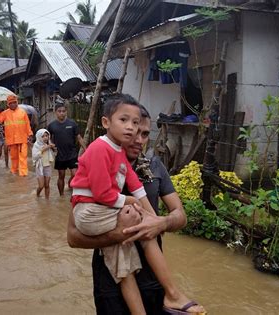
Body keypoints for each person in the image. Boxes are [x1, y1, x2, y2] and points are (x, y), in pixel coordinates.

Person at [69, 94, 204, 315]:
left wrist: (159, 223)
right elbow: (73, 237)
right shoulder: (100, 158)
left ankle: (172, 294)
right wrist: (123, 233)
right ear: (109, 124)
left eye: (144, 132)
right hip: (109, 281)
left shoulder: (155, 166)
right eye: (127, 124)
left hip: (151, 278)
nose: (137, 137)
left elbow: (180, 216)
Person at [48, 102, 86, 195]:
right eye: (59, 111)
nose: (62, 113)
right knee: (61, 175)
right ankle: (61, 196)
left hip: (72, 154)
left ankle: (70, 184)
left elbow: (79, 137)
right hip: (60, 155)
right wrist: (51, 145)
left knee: (75, 174)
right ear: (55, 112)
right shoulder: (51, 125)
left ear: (66, 112)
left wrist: (86, 149)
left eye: (63, 111)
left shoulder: (72, 123)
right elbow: (47, 138)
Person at [0, 95, 33, 176]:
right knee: (14, 157)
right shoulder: (5, 113)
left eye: (14, 102)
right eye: (11, 103)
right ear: (8, 104)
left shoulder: (22, 112)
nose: (13, 104)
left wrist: (30, 134)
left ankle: (23, 174)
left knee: (23, 157)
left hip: (22, 138)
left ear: (17, 102)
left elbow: (27, 124)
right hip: (11, 139)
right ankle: (14, 171)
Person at [32, 128, 56, 198]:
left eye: (46, 136)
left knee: (47, 185)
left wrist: (53, 148)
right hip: (40, 167)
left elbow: (54, 154)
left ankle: (47, 200)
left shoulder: (49, 143)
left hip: (47, 166)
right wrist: (43, 149)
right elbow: (34, 157)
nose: (45, 138)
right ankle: (37, 195)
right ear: (39, 137)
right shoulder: (36, 145)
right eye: (43, 136)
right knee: (41, 186)